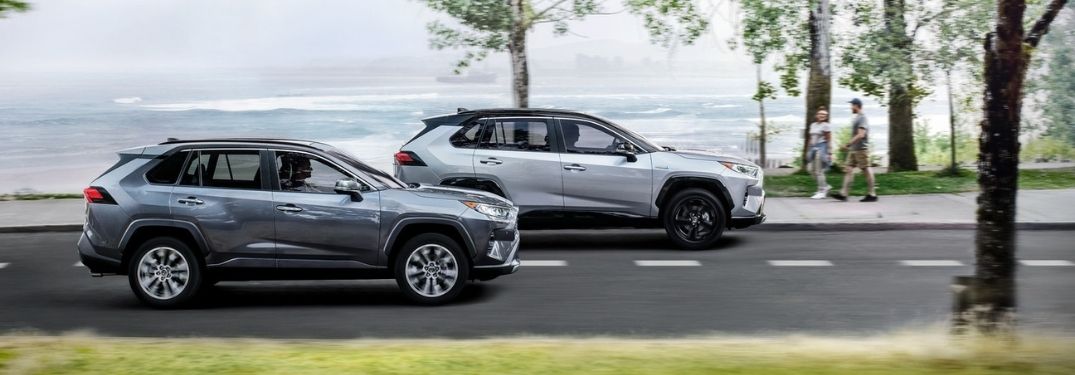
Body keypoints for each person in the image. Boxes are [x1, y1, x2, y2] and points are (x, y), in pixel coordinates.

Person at [832, 98, 878, 202]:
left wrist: (848, 144)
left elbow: (861, 134)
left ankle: (872, 194)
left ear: (856, 105)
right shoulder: (857, 117)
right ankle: (843, 194)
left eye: (851, 105)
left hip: (861, 148)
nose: (850, 107)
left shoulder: (862, 118)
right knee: (848, 168)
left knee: (866, 169)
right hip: (854, 149)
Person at [805, 107, 832, 199]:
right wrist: (808, 149)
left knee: (818, 171)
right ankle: (825, 186)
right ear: (817, 115)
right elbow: (810, 138)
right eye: (820, 114)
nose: (822, 116)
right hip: (812, 148)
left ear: (826, 117)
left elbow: (828, 139)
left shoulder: (826, 125)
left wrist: (829, 152)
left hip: (821, 148)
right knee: (810, 170)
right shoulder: (813, 125)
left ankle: (822, 191)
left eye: (824, 115)